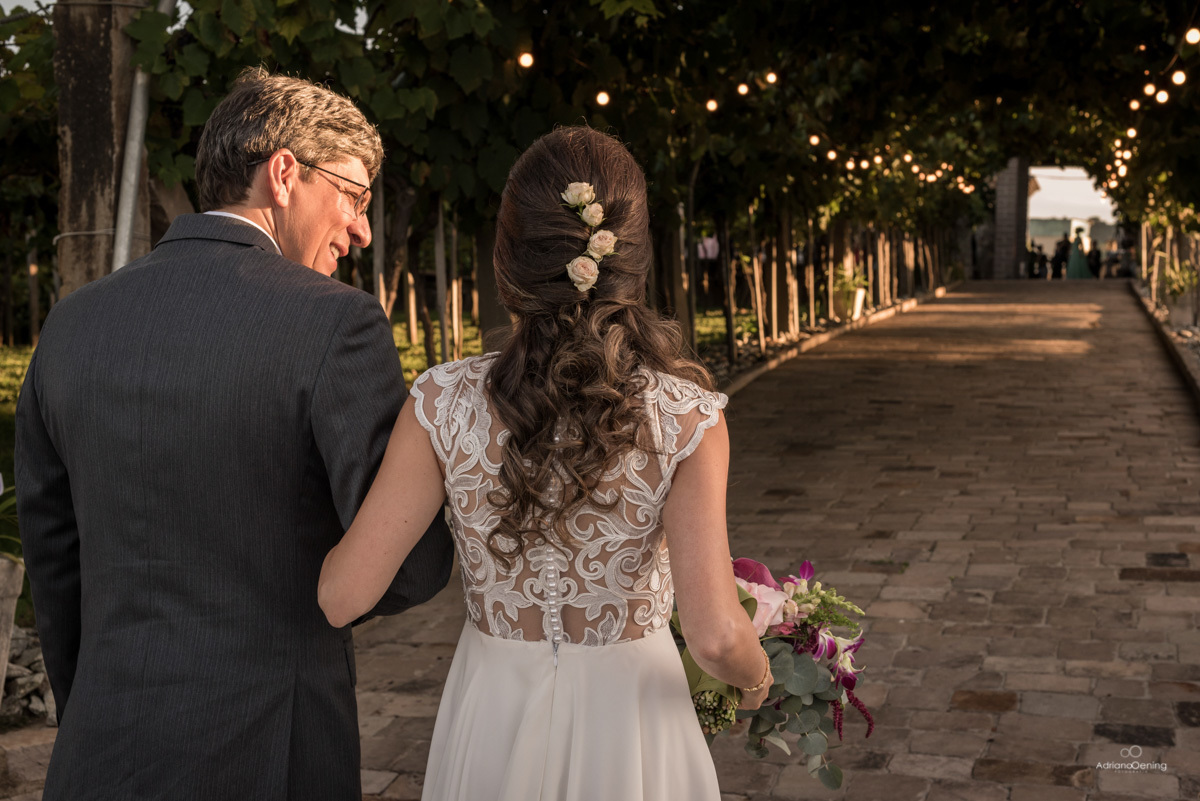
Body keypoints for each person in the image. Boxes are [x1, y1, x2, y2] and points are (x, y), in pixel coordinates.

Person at [15, 67, 454, 801]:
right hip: (269, 753)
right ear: (284, 173)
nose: (362, 228)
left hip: (99, 750)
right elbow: (408, 564)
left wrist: (93, 706)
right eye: (352, 195)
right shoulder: (337, 323)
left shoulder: (69, 324)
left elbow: (54, 564)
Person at [318, 127, 771, 801]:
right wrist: (759, 678)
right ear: (634, 262)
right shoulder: (686, 416)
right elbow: (714, 637)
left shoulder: (440, 403)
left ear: (507, 261)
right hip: (633, 726)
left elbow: (343, 595)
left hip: (491, 711)